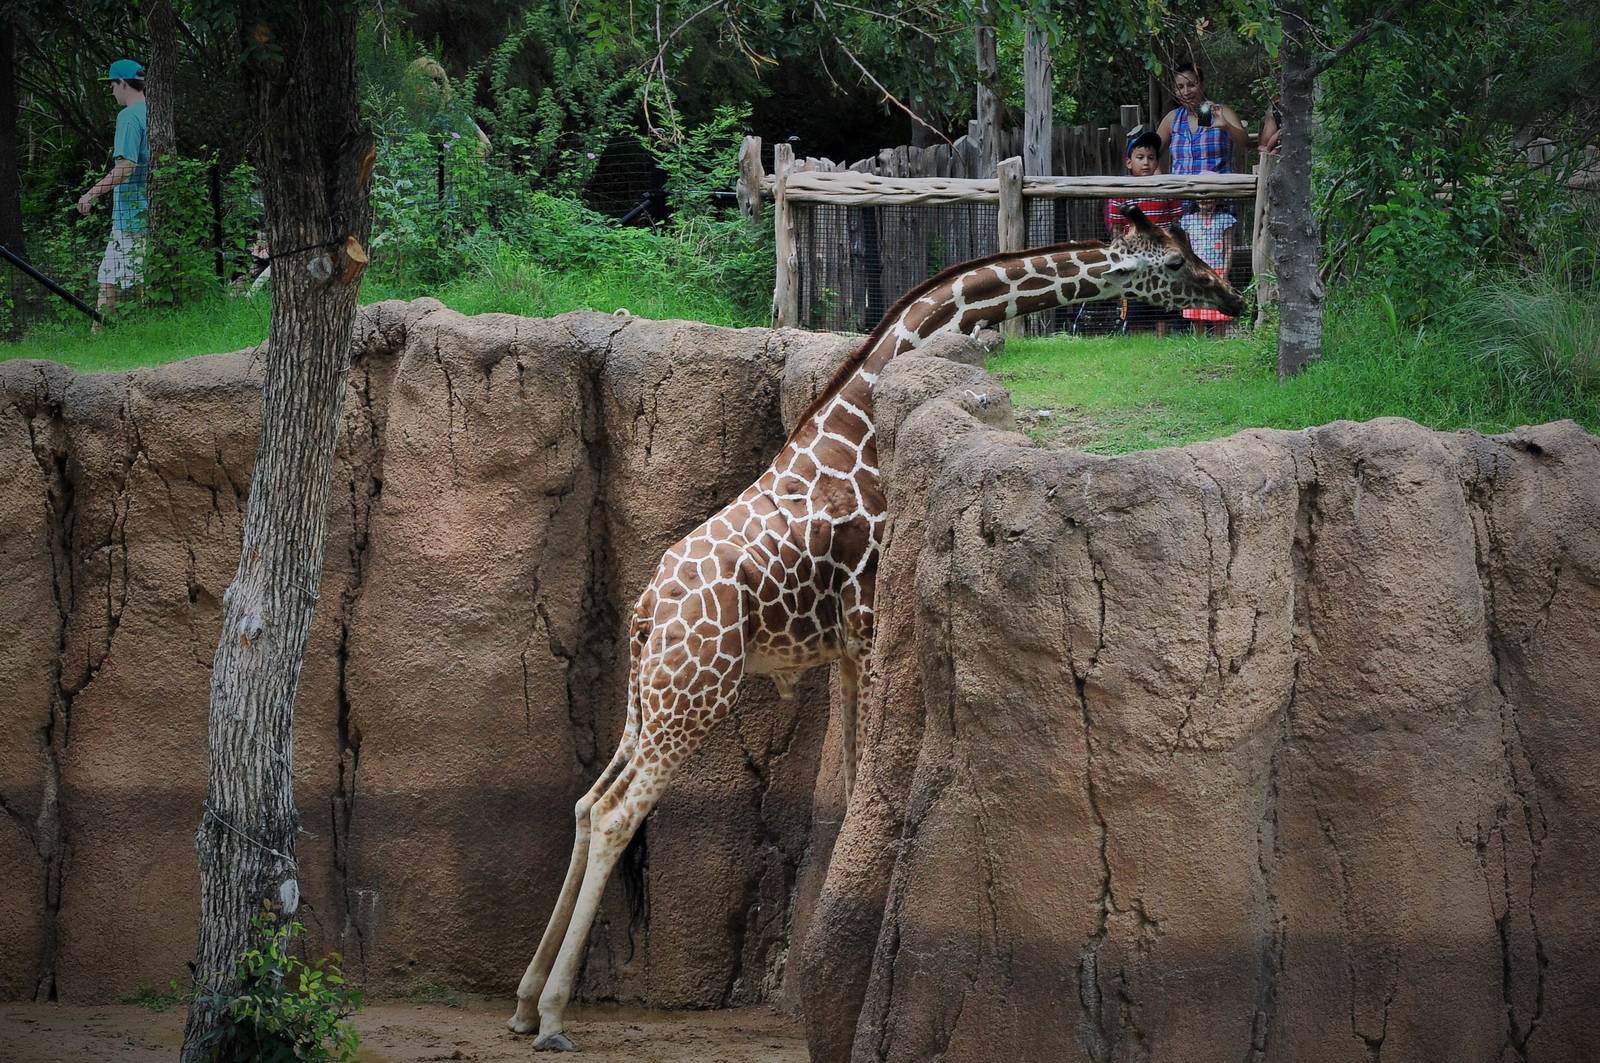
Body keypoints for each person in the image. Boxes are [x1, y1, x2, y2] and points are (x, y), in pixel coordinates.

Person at [77, 58, 149, 323]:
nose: (111, 91)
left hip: (130, 215)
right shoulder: (156, 111)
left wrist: (91, 194)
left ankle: (100, 337)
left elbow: (126, 167)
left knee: (108, 279)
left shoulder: (129, 117)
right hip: (153, 213)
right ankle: (147, 331)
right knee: (144, 280)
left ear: (123, 83)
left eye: (112, 84)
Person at [1104, 127, 1183, 337]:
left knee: (1162, 302)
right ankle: (1137, 343)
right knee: (1136, 301)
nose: (1146, 162)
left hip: (1162, 258)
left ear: (1157, 162)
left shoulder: (1167, 189)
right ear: (1129, 162)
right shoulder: (1119, 192)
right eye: (1140, 157)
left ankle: (1161, 342)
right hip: (1134, 258)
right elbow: (1116, 230)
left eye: (1151, 157)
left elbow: (1176, 222)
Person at [1157, 63, 1249, 176]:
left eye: (1191, 85)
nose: (1186, 92)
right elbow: (1151, 152)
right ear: (1175, 91)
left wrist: (1227, 126)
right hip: (1181, 191)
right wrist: (1158, 177)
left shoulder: (1221, 111)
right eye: (1180, 87)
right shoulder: (1172, 118)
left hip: (1217, 190)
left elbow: (1245, 142)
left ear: (1202, 85)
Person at [1178, 197, 1238, 337]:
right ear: (1196, 200)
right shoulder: (1187, 220)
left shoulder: (1226, 219)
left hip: (1217, 271)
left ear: (1217, 199)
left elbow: (1229, 248)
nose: (1205, 200)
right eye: (1201, 197)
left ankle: (1220, 344)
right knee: (1197, 314)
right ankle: (1198, 345)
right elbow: (1186, 250)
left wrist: (1224, 274)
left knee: (1219, 314)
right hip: (1197, 272)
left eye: (1210, 196)